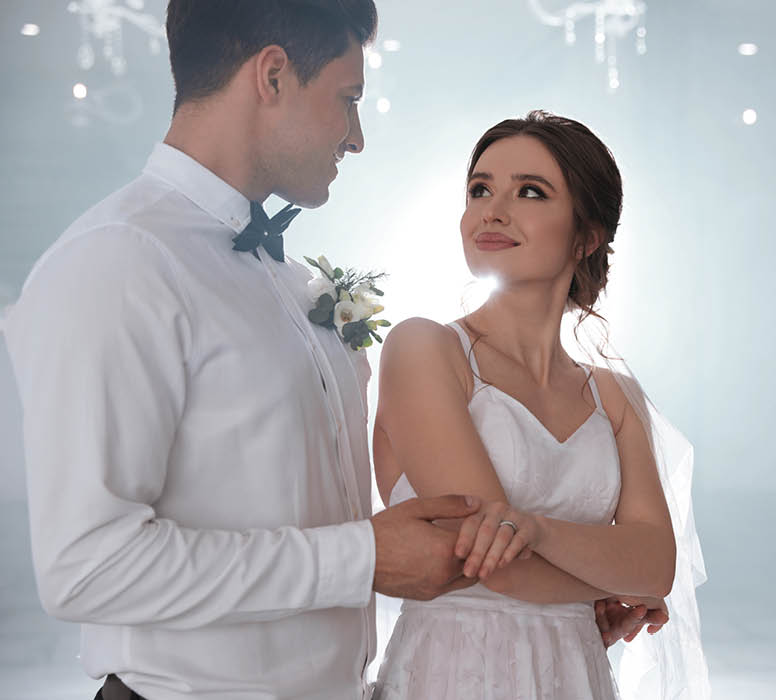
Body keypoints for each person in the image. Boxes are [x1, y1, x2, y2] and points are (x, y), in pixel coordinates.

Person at [3, 2, 491, 698]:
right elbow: (88, 567)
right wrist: (362, 558)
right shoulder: (115, 263)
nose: (357, 139)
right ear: (271, 75)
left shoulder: (294, 283)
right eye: (348, 100)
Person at [371, 111, 709, 699]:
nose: (492, 211)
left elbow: (657, 566)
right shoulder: (424, 348)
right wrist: (604, 574)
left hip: (574, 676)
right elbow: (491, 563)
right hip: (451, 674)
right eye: (480, 189)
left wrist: (534, 530)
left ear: (587, 235)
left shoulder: (613, 395)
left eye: (530, 191)